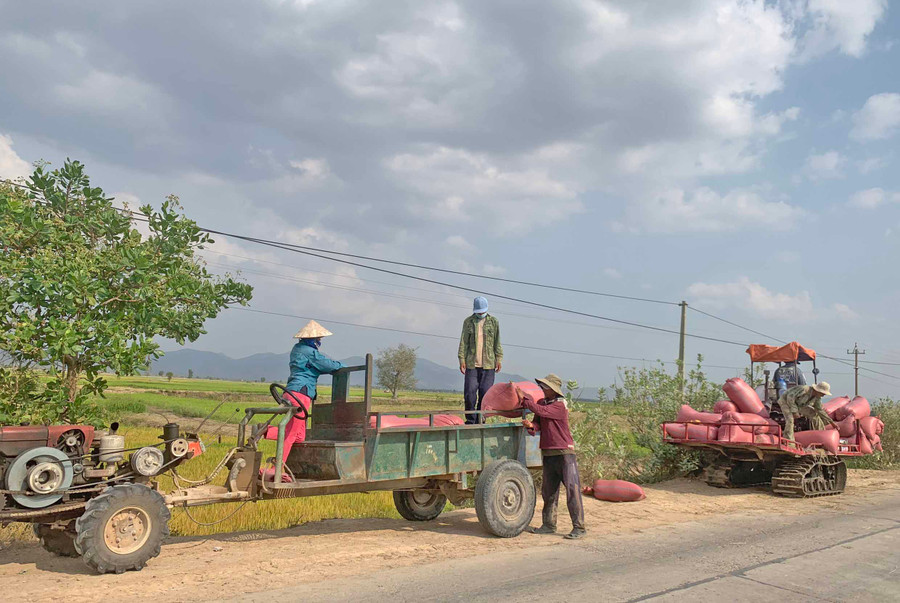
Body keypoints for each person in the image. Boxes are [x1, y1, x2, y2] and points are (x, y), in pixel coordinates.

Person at [515, 374, 586, 540]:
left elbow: (542, 412)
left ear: (554, 390)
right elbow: (539, 421)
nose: (543, 389)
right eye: (542, 387)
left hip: (564, 453)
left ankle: (579, 527)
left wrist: (525, 400)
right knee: (549, 492)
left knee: (572, 490)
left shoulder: (560, 406)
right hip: (548, 453)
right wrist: (531, 425)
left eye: (545, 387)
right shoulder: (542, 403)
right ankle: (548, 525)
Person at [278, 320, 345, 469]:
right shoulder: (309, 352)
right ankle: (276, 468)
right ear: (312, 339)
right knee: (290, 434)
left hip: (292, 391)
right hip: (300, 392)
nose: (320, 342)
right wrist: (342, 367)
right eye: (318, 339)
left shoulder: (297, 349)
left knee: (299, 436)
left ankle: (269, 431)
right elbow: (327, 365)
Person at [458, 297, 503, 424]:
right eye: (478, 312)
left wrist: (499, 358)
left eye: (482, 312)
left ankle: (480, 420)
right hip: (472, 364)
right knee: (470, 393)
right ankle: (470, 420)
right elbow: (463, 342)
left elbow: (497, 342)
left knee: (485, 394)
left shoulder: (493, 322)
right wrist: (461, 359)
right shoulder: (468, 322)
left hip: (489, 365)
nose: (480, 314)